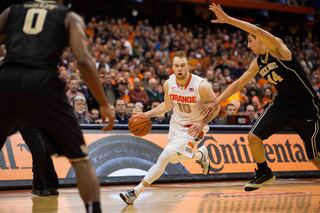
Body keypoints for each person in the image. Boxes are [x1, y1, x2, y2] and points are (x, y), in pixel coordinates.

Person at [0, 1, 114, 212]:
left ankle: (45, 185)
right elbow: (84, 61)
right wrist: (104, 103)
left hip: (6, 79)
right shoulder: (69, 17)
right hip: (43, 83)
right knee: (81, 159)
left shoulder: (10, 11)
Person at [201, 3, 320, 191]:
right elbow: (239, 83)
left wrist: (228, 20)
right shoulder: (258, 62)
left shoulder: (279, 49)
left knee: (314, 157)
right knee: (253, 137)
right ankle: (264, 172)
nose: (248, 45)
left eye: (250, 41)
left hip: (308, 108)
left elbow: (257, 30)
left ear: (260, 39)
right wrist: (217, 100)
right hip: (283, 105)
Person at [119, 51, 220, 205]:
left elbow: (216, 107)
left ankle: (135, 192)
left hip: (194, 128)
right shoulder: (169, 83)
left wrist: (202, 123)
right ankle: (201, 155)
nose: (180, 69)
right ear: (172, 67)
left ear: (188, 67)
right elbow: (167, 105)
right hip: (176, 125)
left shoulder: (201, 85)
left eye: (183, 65)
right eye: (177, 66)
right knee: (174, 159)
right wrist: (146, 115)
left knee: (165, 158)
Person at [20, 126, 59, 197]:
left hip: (39, 121)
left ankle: (50, 185)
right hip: (26, 121)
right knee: (39, 151)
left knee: (46, 151)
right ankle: (39, 186)